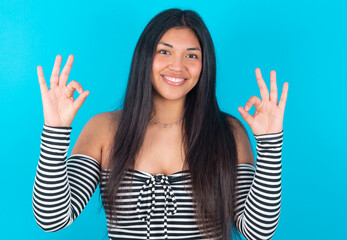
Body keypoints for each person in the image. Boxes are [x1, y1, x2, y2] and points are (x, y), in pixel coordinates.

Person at [32, 8, 288, 240]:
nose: (177, 66)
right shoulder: (104, 129)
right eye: (164, 51)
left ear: (204, 65)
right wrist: (55, 130)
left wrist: (270, 145)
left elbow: (257, 231)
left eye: (191, 55)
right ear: (145, 57)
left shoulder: (227, 132)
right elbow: (51, 218)